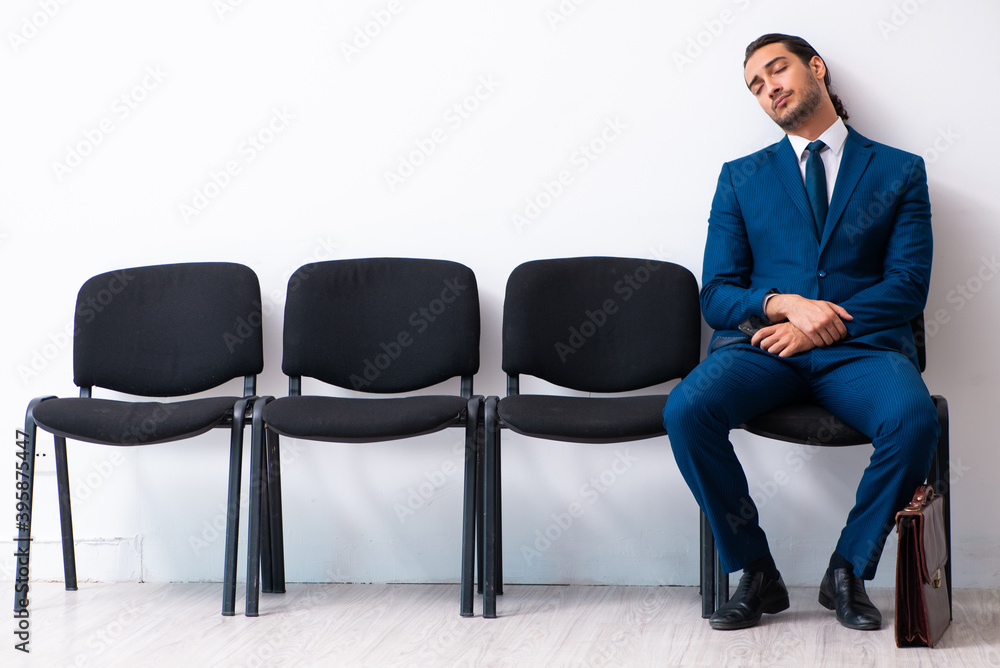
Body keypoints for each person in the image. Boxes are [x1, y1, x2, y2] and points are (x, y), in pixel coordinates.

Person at [663, 33, 938, 631]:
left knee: (916, 418)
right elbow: (717, 293)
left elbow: (908, 285)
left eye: (777, 70)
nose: (769, 89)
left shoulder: (898, 170)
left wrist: (821, 327)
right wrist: (783, 304)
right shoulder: (741, 177)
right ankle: (756, 571)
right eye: (756, 86)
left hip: (861, 351)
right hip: (765, 347)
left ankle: (847, 568)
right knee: (687, 409)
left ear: (815, 68)